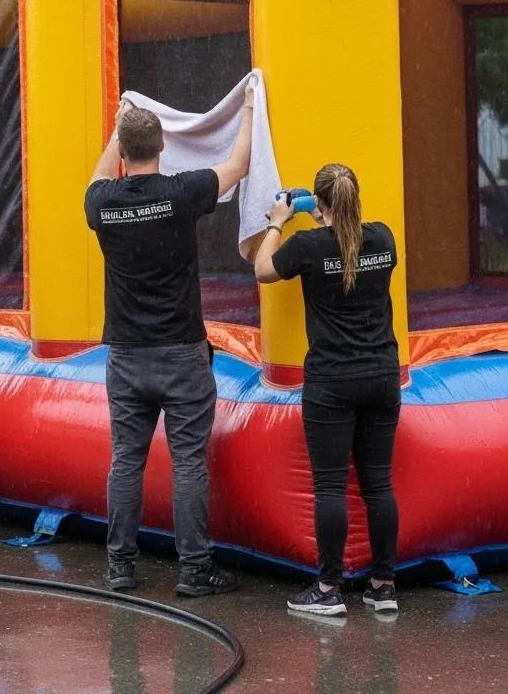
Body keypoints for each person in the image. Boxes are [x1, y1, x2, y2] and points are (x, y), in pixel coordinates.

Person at [85, 85, 254, 595]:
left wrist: (117, 128)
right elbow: (240, 164)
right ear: (163, 147)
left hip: (127, 356)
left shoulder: (102, 202)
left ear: (123, 149)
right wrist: (249, 105)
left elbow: (97, 174)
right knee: (187, 464)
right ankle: (195, 570)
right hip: (181, 351)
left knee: (126, 460)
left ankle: (120, 567)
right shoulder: (181, 193)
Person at [255, 164, 400, 616]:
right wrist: (325, 218)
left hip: (332, 380)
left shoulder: (307, 246)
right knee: (378, 485)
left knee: (330, 486)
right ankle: (383, 585)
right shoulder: (384, 239)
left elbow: (263, 269)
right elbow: (350, 247)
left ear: (318, 204)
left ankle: (328, 589)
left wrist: (279, 220)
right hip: (382, 374)